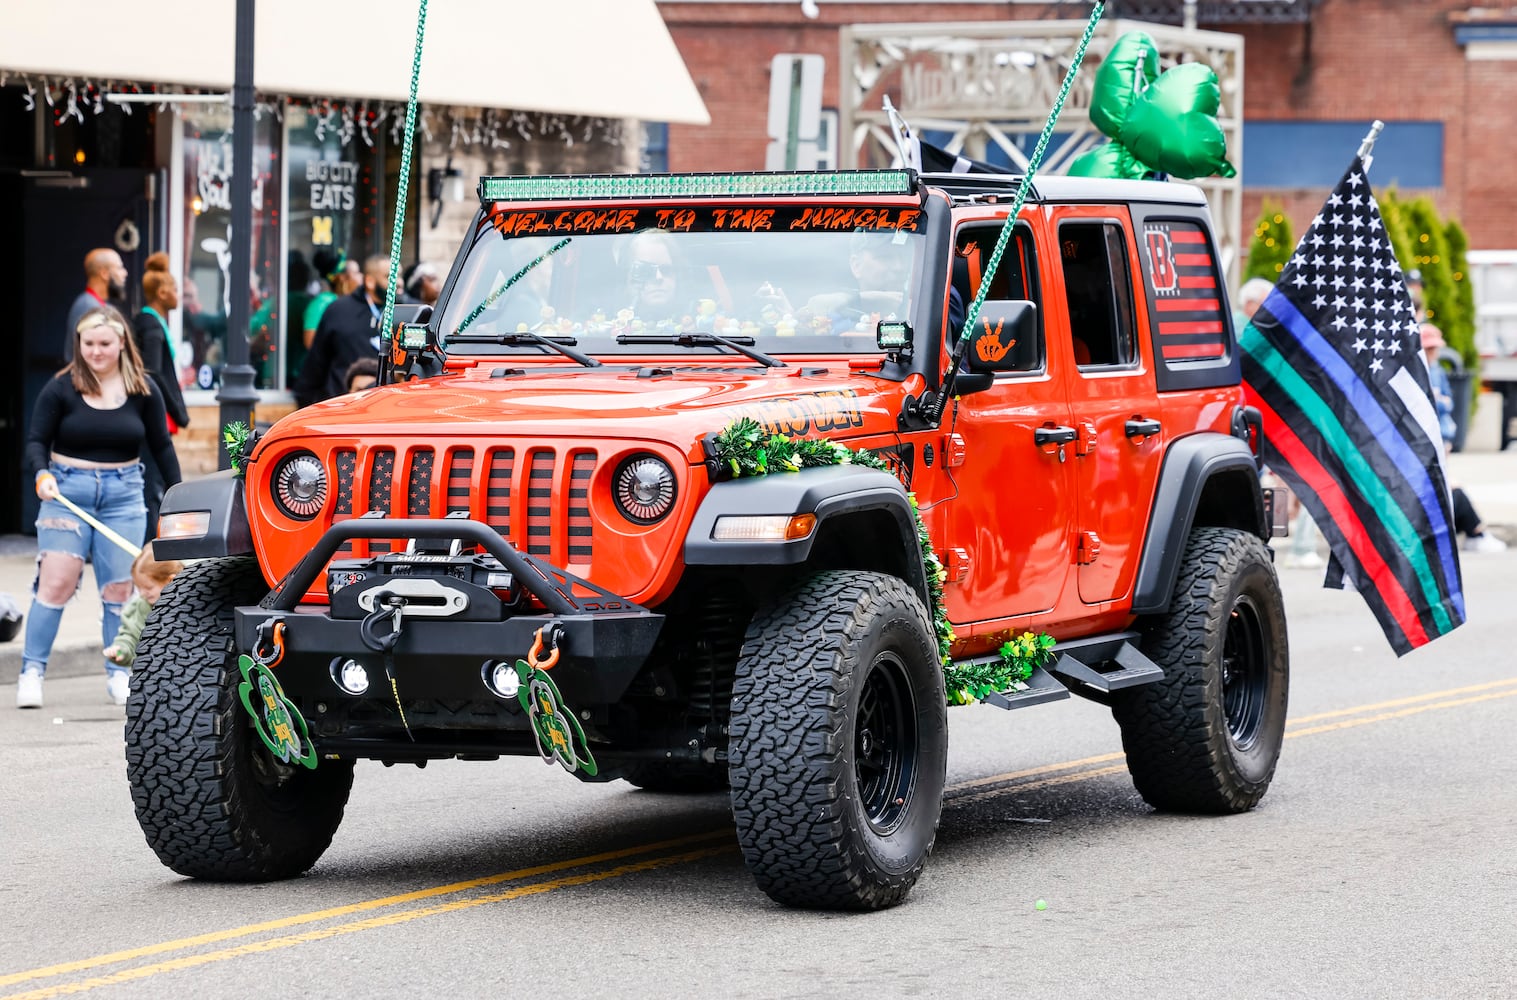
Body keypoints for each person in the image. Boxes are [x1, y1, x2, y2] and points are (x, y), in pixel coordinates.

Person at [18, 305, 182, 709]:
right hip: (67, 491)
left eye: (104, 343)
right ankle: (32, 672)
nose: (95, 351)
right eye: (87, 343)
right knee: (56, 580)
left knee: (119, 589)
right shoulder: (61, 387)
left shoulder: (144, 388)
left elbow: (161, 445)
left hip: (124, 492)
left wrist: (180, 498)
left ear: (121, 343)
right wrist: (41, 474)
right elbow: (36, 440)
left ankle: (118, 673)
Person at [1423, 322, 1506, 553]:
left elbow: (1447, 401)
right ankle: (1476, 532)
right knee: (1451, 489)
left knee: (1450, 486)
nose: (1433, 354)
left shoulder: (1438, 371)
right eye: (1429, 349)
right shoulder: (1419, 372)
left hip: (1442, 436)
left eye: (1435, 349)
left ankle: (1476, 533)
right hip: (1428, 443)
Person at [132, 253, 191, 540]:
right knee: (153, 482)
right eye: (176, 289)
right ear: (162, 293)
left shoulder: (146, 322)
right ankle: (151, 545)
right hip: (156, 414)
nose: (179, 295)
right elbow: (154, 371)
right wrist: (178, 411)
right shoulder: (152, 326)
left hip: (151, 412)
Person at [294, 255, 390, 408]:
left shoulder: (409, 311)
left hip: (388, 408)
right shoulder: (339, 310)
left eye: (399, 276)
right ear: (370, 281)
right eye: (389, 277)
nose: (398, 282)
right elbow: (316, 363)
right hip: (342, 407)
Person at [103, 542, 184, 670]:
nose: (142, 594)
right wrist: (120, 651)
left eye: (148, 587)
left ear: (171, 581)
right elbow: (130, 636)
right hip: (154, 678)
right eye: (138, 588)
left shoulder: (194, 603)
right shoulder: (140, 607)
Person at [64, 248, 129, 361]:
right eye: (119, 268)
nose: (125, 273)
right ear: (104, 274)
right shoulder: (87, 307)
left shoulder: (101, 305)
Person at [304, 249, 361, 352]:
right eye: (356, 273)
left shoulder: (351, 301)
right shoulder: (321, 304)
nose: (361, 277)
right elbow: (310, 343)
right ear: (342, 278)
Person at [621, 229, 684, 324]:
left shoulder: (696, 320)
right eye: (646, 270)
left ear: (677, 273)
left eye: (666, 269)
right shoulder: (609, 322)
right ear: (630, 276)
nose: (658, 277)